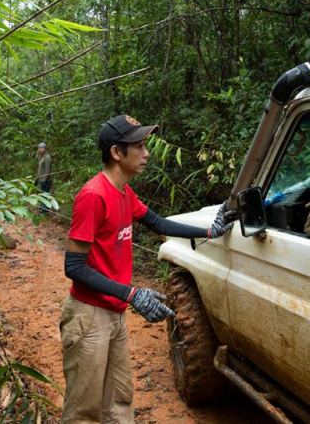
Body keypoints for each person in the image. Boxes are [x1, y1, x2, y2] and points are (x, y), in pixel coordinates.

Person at [60, 114, 234, 424]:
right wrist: (132, 293)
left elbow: (157, 223)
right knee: (84, 409)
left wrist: (209, 231)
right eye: (139, 146)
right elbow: (73, 267)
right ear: (117, 152)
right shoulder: (93, 196)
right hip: (89, 316)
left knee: (119, 401)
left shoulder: (124, 193)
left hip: (114, 313)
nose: (146, 153)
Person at [35, 142, 52, 215]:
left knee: (44, 196)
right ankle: (43, 210)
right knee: (42, 195)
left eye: (42, 148)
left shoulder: (47, 157)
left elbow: (48, 170)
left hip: (46, 181)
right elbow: (40, 170)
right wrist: (37, 180)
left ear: (45, 149)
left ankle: (43, 211)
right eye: (39, 148)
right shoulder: (42, 157)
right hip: (41, 180)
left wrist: (44, 181)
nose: (41, 149)